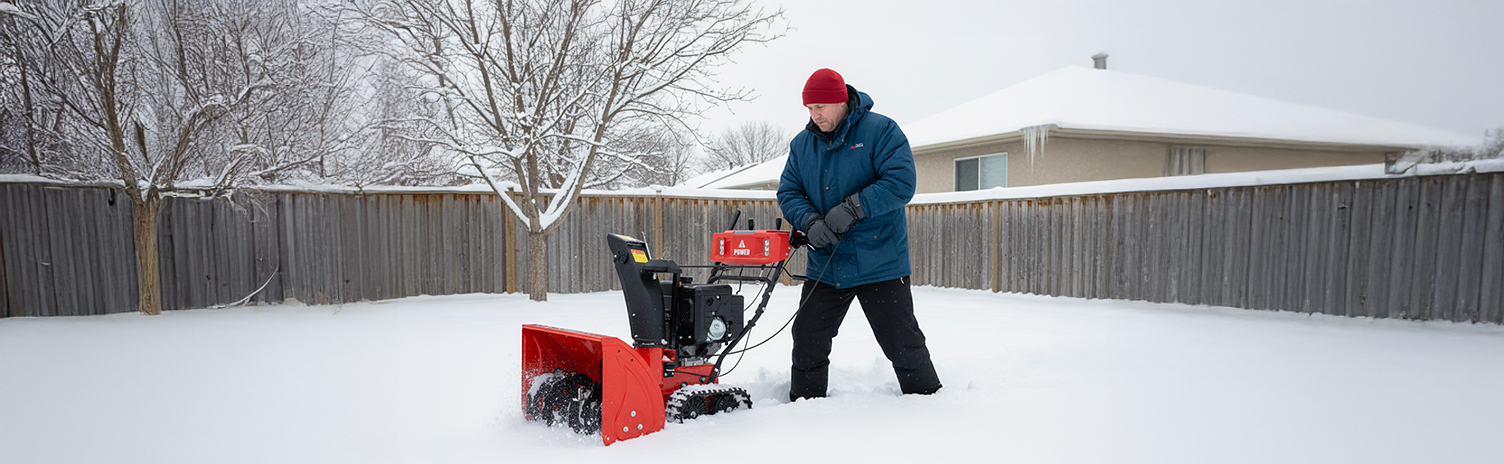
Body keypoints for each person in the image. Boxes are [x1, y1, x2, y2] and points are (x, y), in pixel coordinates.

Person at [776, 68, 941, 400]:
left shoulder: (881, 131)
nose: (815, 115)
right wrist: (810, 222)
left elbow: (900, 183)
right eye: (809, 109)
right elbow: (789, 192)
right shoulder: (802, 144)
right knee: (807, 336)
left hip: (879, 260)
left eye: (821, 107)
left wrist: (851, 209)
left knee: (900, 340)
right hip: (827, 263)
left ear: (841, 101)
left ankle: (927, 404)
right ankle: (803, 407)